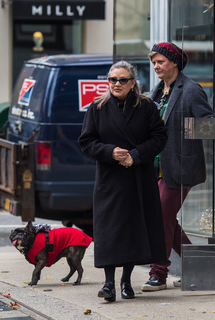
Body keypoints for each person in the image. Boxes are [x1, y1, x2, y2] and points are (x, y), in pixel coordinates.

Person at [79, 60, 168, 302]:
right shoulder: (97, 107)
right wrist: (109, 152)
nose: (116, 84)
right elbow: (86, 141)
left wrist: (136, 156)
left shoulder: (147, 106)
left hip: (138, 178)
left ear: (132, 83)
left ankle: (126, 281)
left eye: (122, 80)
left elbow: (160, 137)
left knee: (132, 230)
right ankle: (108, 284)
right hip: (110, 179)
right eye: (112, 79)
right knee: (109, 231)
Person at [141, 42, 213, 292]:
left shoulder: (191, 89)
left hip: (180, 167)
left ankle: (158, 273)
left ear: (174, 62)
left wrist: (181, 133)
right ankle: (200, 267)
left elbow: (210, 126)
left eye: (160, 61)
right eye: (153, 62)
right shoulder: (158, 89)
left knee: (160, 219)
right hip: (156, 167)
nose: (156, 66)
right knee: (165, 218)